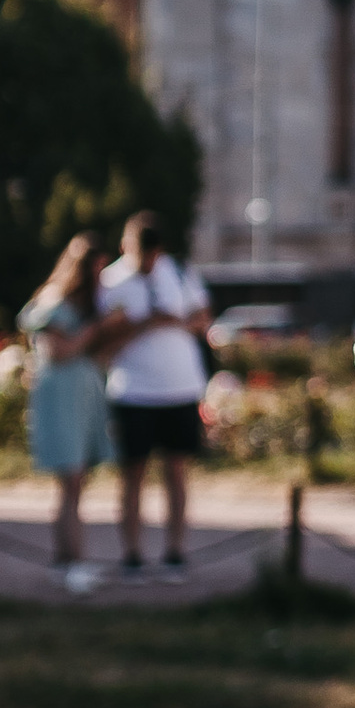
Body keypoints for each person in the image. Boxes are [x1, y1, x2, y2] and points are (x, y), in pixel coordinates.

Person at [96, 211, 212, 572]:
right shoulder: (111, 282)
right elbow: (103, 340)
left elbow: (203, 318)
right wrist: (144, 324)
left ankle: (175, 551)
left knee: (177, 471)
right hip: (134, 391)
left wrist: (173, 320)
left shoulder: (178, 272)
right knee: (133, 474)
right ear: (124, 247)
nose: (145, 262)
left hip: (180, 387)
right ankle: (132, 554)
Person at [20, 231, 117, 581]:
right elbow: (58, 352)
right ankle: (71, 561)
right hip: (60, 398)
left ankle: (69, 559)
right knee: (71, 478)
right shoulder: (55, 300)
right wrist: (96, 329)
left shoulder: (88, 304)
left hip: (83, 397)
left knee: (77, 481)